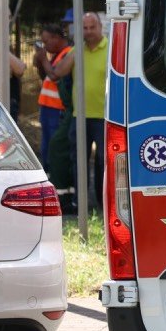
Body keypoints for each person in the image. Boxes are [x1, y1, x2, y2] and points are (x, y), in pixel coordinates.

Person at [49, 11, 107, 210]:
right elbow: (58, 72)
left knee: (103, 161)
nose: (89, 32)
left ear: (101, 27)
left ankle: (102, 202)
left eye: (92, 27)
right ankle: (81, 202)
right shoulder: (77, 52)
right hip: (79, 116)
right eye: (85, 28)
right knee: (79, 161)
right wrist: (75, 50)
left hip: (104, 116)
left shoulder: (111, 49)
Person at [33, 23, 73, 172]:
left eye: (46, 41)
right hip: (48, 107)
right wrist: (40, 63)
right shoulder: (57, 55)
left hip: (57, 109)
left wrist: (44, 59)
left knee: (52, 145)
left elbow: (56, 77)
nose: (45, 46)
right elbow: (46, 77)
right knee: (46, 144)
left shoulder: (68, 53)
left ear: (56, 38)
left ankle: (53, 173)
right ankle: (48, 171)